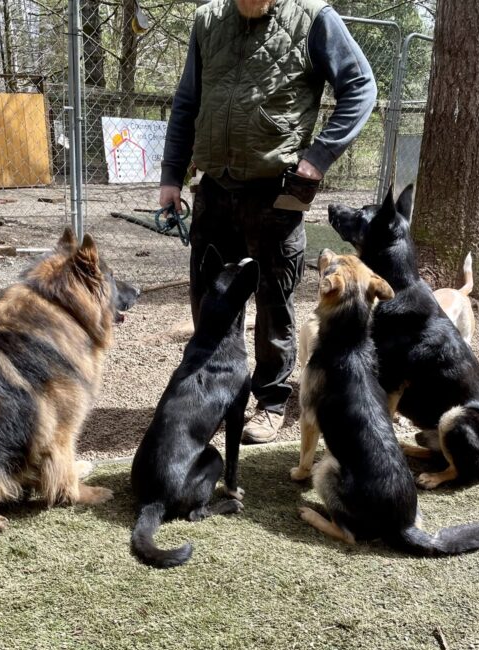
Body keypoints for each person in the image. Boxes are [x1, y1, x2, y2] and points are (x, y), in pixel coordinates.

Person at [159, 0, 377, 444]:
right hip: (214, 189)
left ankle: (272, 401)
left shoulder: (314, 18)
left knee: (275, 301)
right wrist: (171, 175)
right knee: (211, 300)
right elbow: (187, 102)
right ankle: (214, 393)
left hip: (277, 192)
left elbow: (360, 86)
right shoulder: (208, 20)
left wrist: (319, 157)